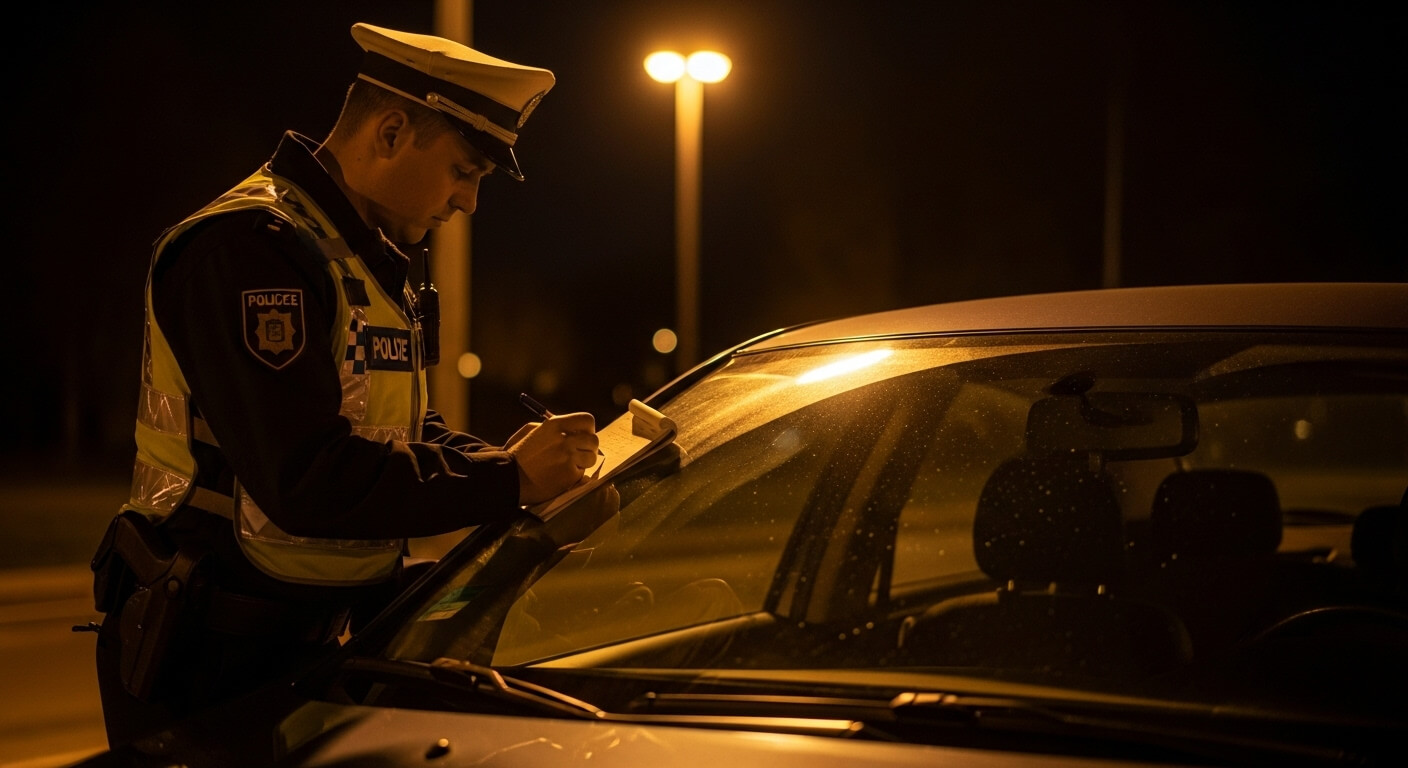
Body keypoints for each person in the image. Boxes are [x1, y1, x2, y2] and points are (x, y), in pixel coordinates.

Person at [91, 22, 607, 748]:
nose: (468, 204)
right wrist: (504, 480)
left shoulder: (362, 254)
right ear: (392, 132)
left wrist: (516, 464)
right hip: (209, 661)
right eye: (465, 171)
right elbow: (306, 475)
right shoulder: (250, 248)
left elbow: (392, 432)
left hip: (301, 645)